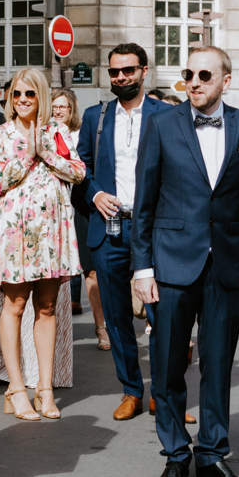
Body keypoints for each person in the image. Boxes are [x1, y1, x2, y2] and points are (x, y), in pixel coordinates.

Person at [130, 44, 239, 477]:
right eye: (188, 73)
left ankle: (212, 455)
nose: (194, 82)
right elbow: (144, 202)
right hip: (171, 263)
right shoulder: (162, 123)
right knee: (169, 366)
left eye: (204, 75)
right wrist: (142, 268)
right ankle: (175, 456)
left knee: (217, 366)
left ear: (225, 81)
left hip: (226, 265)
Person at [0, 68, 87, 419]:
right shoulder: (0, 134)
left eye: (30, 94)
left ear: (41, 97)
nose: (23, 100)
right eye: (17, 95)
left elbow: (78, 172)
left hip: (52, 232)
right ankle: (15, 387)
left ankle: (45, 387)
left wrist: (46, 151)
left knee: (47, 308)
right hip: (14, 231)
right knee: (14, 306)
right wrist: (27, 155)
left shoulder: (56, 132)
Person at [78, 43, 172, 418]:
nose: (120, 77)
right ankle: (131, 390)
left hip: (153, 228)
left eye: (128, 70)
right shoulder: (95, 117)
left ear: (144, 71)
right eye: (114, 72)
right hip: (109, 226)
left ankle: (164, 394)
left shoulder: (166, 114)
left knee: (162, 313)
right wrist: (96, 193)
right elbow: (79, 167)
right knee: (116, 316)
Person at [56, 88, 108, 348]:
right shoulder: (43, 135)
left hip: (79, 209)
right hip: (53, 211)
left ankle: (101, 328)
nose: (58, 111)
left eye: (63, 106)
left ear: (71, 109)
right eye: (54, 106)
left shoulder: (80, 135)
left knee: (92, 272)